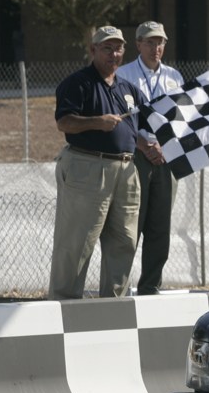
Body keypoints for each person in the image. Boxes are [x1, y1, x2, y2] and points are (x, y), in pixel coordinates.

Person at [48, 25, 163, 300]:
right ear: (93, 50)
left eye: (119, 48)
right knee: (77, 242)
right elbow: (64, 122)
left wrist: (150, 144)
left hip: (126, 169)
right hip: (88, 168)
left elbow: (145, 123)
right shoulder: (78, 83)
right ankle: (64, 305)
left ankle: (115, 306)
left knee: (124, 241)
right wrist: (97, 122)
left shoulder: (128, 89)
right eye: (107, 48)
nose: (114, 53)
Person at [116, 20, 184, 295]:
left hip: (167, 157)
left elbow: (181, 118)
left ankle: (150, 286)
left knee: (160, 226)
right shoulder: (124, 74)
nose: (156, 47)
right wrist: (143, 145)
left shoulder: (174, 77)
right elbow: (121, 119)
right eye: (150, 42)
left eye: (161, 42)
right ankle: (118, 287)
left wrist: (166, 147)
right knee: (131, 223)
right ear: (138, 44)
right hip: (136, 155)